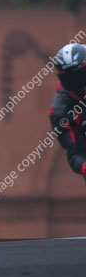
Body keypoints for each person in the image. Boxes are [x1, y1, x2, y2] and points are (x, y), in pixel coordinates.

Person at [50, 42, 86, 180]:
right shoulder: (60, 112)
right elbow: (75, 154)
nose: (76, 83)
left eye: (80, 76)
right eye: (70, 79)